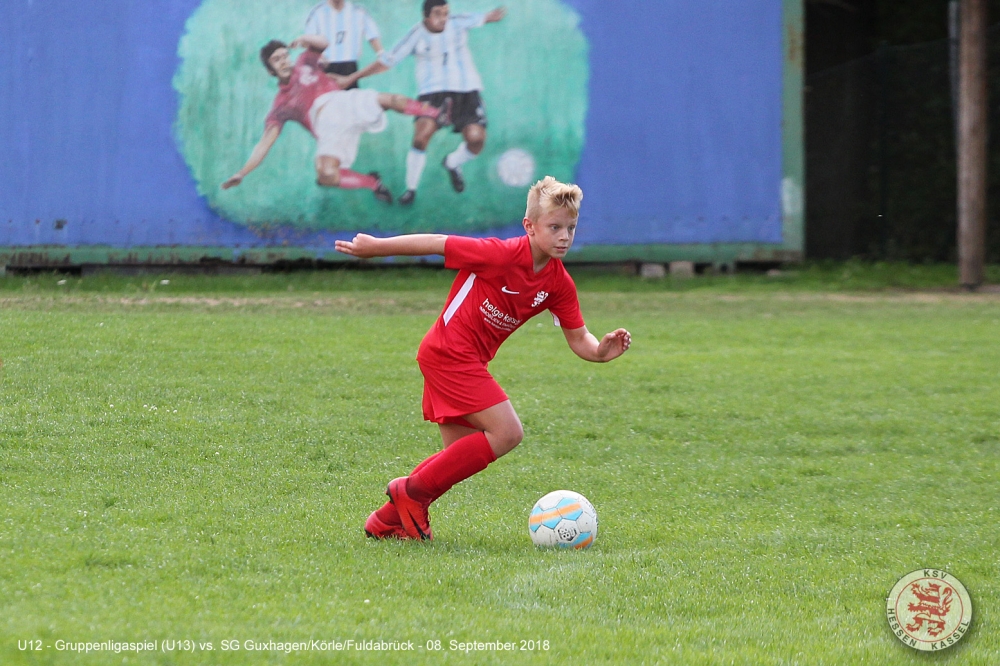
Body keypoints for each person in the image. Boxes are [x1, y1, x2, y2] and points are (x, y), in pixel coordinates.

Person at [334, 176, 632, 540]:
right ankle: (409, 493)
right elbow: (439, 243)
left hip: (466, 360)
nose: (564, 237)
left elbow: (580, 338)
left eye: (570, 228)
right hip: (449, 353)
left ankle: (386, 520)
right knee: (508, 433)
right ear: (529, 226)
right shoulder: (500, 254)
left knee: (457, 456)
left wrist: (600, 351)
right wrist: (377, 247)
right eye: (554, 227)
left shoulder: (558, 283)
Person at [221, 34, 450, 200]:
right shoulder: (281, 105)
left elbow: (322, 43)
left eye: (285, 56)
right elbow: (265, 142)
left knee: (390, 100)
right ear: (271, 71)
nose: (284, 61)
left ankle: (436, 114)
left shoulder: (305, 62)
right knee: (326, 175)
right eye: (277, 59)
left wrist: (304, 39)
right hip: (328, 129)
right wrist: (242, 173)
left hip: (343, 104)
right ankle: (373, 183)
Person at [333, 0, 506, 206]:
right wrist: (351, 78)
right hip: (433, 95)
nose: (443, 18)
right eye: (438, 14)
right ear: (426, 17)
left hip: (467, 92)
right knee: (421, 138)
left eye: (446, 13)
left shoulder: (458, 23)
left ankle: (452, 163)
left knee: (476, 139)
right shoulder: (416, 35)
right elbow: (387, 62)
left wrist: (492, 16)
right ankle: (411, 190)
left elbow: (483, 18)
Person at [303, 0, 382, 90]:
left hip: (350, 68)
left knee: (351, 96)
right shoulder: (317, 13)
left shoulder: (358, 12)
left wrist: (380, 53)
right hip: (325, 68)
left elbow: (373, 35)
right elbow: (309, 41)